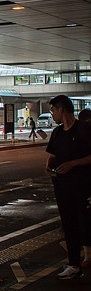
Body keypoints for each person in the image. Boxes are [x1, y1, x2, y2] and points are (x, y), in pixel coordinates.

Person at [45, 95, 91, 279]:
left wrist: (73, 164)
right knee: (69, 225)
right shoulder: (57, 132)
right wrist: (50, 162)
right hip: (62, 186)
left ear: (61, 109)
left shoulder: (84, 129)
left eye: (53, 111)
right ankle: (74, 264)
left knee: (84, 223)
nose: (52, 115)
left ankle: (85, 257)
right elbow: (53, 153)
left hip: (82, 186)